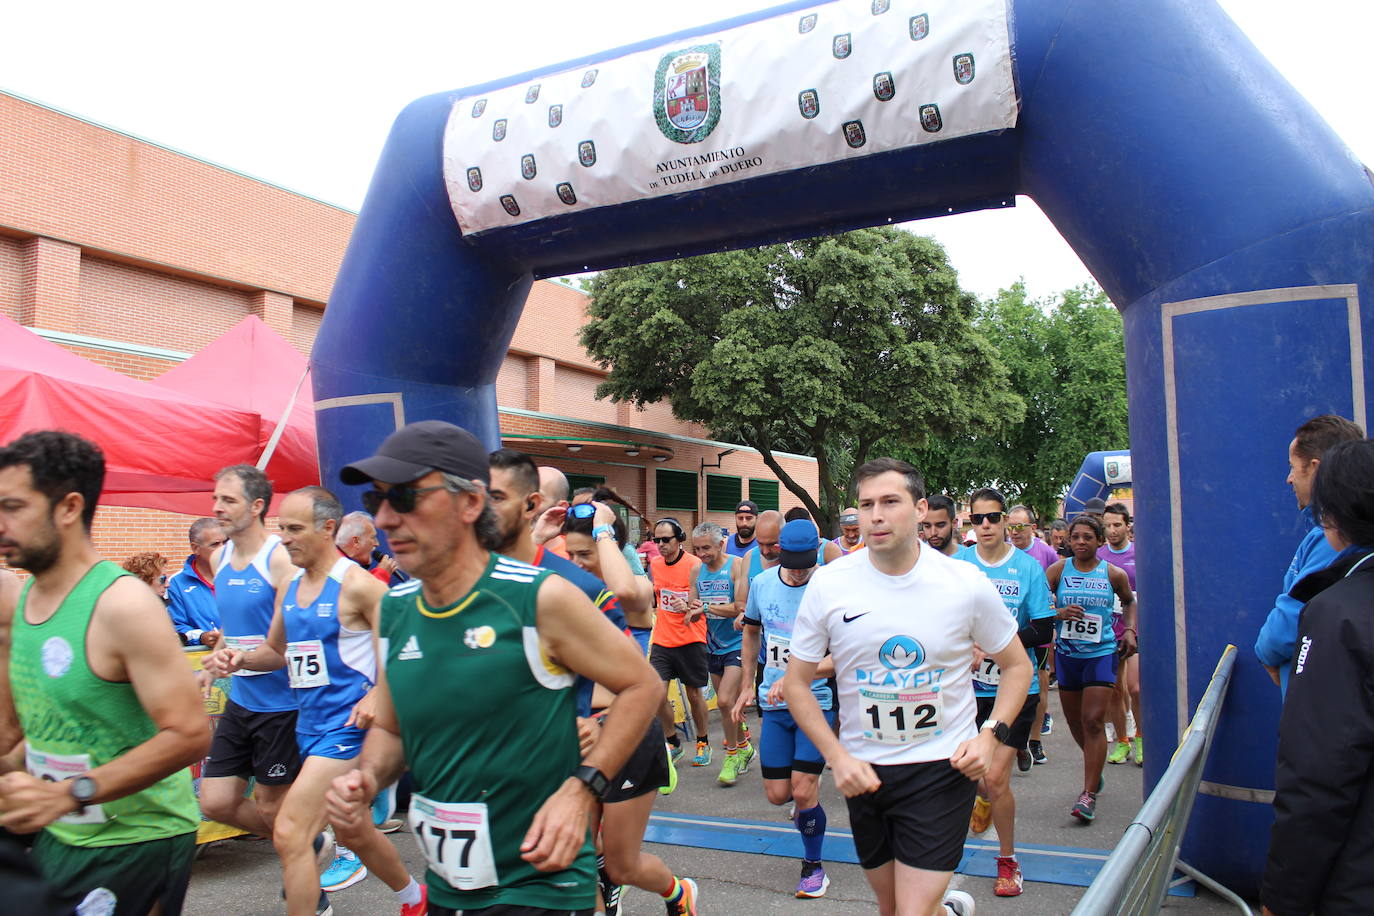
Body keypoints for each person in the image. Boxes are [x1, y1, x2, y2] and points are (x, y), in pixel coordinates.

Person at [323, 421, 672, 916]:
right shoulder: (395, 609)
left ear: (469, 504)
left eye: (403, 498)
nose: (385, 518)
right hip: (449, 886)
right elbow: (396, 732)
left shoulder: (538, 596)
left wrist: (582, 790)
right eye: (378, 500)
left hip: (538, 885)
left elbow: (642, 684)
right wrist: (366, 778)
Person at [783, 458, 1033, 916]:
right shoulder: (831, 583)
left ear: (919, 510)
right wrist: (836, 758)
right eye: (866, 504)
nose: (875, 515)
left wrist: (990, 734)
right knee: (892, 907)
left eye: (890, 502)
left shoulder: (963, 583)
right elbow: (796, 683)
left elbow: (1018, 667)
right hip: (865, 771)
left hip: (941, 768)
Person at [0, 430, 208, 915]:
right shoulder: (25, 602)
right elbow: (43, 729)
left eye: (14, 507)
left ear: (69, 508)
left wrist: (71, 793)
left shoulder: (123, 605)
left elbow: (190, 735)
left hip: (136, 841)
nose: (1, 523)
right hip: (60, 833)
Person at [205, 486, 425, 916]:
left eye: (294, 529)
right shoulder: (289, 585)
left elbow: (410, 641)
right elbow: (275, 652)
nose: (284, 538)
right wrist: (239, 658)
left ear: (328, 528)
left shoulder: (358, 585)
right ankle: (414, 898)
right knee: (354, 828)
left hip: (347, 729)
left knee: (290, 830)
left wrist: (381, 691)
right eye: (281, 528)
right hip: (306, 725)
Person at [559, 503, 697, 916]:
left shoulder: (635, 591)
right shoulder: (562, 594)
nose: (578, 564)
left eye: (587, 555)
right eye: (572, 555)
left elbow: (620, 588)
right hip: (579, 735)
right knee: (576, 854)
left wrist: (605, 533)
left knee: (623, 864)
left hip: (630, 735)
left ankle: (677, 893)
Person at [1261, 438, 1374, 916]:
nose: (1289, 479)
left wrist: (1283, 896)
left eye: (1295, 469)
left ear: (1333, 511)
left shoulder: (1337, 614)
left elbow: (1320, 773)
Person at [198, 464, 316, 905]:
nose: (216, 507)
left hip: (283, 705)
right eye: (216, 498)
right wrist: (212, 667)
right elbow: (233, 630)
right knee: (215, 802)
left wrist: (239, 659)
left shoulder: (280, 559)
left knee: (271, 807)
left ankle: (309, 890)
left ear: (258, 505)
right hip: (242, 700)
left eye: (228, 500)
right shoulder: (220, 557)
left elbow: (282, 648)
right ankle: (306, 842)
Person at [954, 489, 1056, 897]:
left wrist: (995, 646)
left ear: (1005, 523)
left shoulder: (1027, 568)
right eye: (977, 519)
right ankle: (982, 802)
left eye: (992, 518)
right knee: (973, 775)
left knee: (996, 778)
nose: (985, 526)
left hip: (1017, 686)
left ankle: (1008, 860)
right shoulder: (959, 565)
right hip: (969, 688)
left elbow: (1044, 630)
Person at [733, 519, 837, 898]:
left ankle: (814, 866)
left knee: (804, 789)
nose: (796, 570)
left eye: (804, 562)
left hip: (818, 701)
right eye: (790, 561)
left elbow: (843, 654)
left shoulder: (831, 587)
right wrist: (747, 684)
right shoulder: (762, 584)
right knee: (779, 794)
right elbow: (751, 631)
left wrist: (799, 675)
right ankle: (806, 802)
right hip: (773, 701)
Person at [1255, 414, 1364, 696]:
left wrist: (1267, 649)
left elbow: (1291, 620)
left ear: (1315, 468)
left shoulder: (1336, 540)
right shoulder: (1325, 535)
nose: (1289, 479)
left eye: (1293, 467)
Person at [1047, 514, 1138, 823]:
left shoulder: (1113, 574)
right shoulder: (1058, 571)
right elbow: (1040, 605)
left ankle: (1088, 794)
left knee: (1094, 721)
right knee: (1076, 726)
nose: (1081, 542)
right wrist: (1058, 612)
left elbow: (1129, 602)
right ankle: (1094, 769)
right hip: (1068, 656)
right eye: (1076, 537)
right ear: (1068, 541)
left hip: (1101, 653)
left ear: (1100, 541)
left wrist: (1129, 630)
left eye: (1088, 537)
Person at [684, 522, 753, 785]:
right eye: (697, 549)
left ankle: (732, 756)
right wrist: (686, 608)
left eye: (707, 548)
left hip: (737, 644)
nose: (701, 554)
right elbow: (693, 605)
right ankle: (745, 746)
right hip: (711, 645)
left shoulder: (735, 566)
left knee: (724, 701)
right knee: (729, 706)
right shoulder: (696, 572)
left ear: (720, 544)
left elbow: (739, 607)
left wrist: (706, 608)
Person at [648, 518, 711, 766]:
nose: (661, 545)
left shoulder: (695, 565)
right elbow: (656, 598)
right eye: (657, 540)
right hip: (663, 639)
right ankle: (673, 742)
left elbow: (705, 604)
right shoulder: (654, 564)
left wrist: (688, 606)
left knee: (694, 694)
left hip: (691, 637)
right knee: (656, 693)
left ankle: (703, 742)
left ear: (680, 539)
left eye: (666, 539)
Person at [1008, 505, 1056, 761]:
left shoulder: (1045, 553)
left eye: (1019, 527)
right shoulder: (1001, 552)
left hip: (1035, 630)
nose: (1014, 532)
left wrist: (1053, 616)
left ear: (1032, 528)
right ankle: (1015, 741)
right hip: (1009, 631)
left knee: (1038, 681)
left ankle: (1034, 739)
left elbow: (1057, 587)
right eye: (1010, 527)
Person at [1100, 502, 1142, 767]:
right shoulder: (1100, 555)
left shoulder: (1139, 552)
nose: (1112, 531)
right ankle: (1122, 742)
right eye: (1107, 526)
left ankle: (1141, 737)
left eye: (1117, 525)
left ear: (1127, 525)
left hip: (1135, 630)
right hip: (1109, 630)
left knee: (1135, 688)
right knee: (1115, 691)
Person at [167, 517, 224, 647]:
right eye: (215, 544)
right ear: (195, 548)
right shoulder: (176, 584)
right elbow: (174, 627)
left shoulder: (240, 576)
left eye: (226, 542)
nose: (223, 549)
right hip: (204, 662)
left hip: (245, 660)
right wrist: (201, 637)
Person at [336, 510, 400, 585]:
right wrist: (382, 574)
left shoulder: (336, 562)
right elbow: (361, 595)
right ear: (356, 541)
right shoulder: (339, 568)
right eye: (373, 537)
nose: (377, 544)